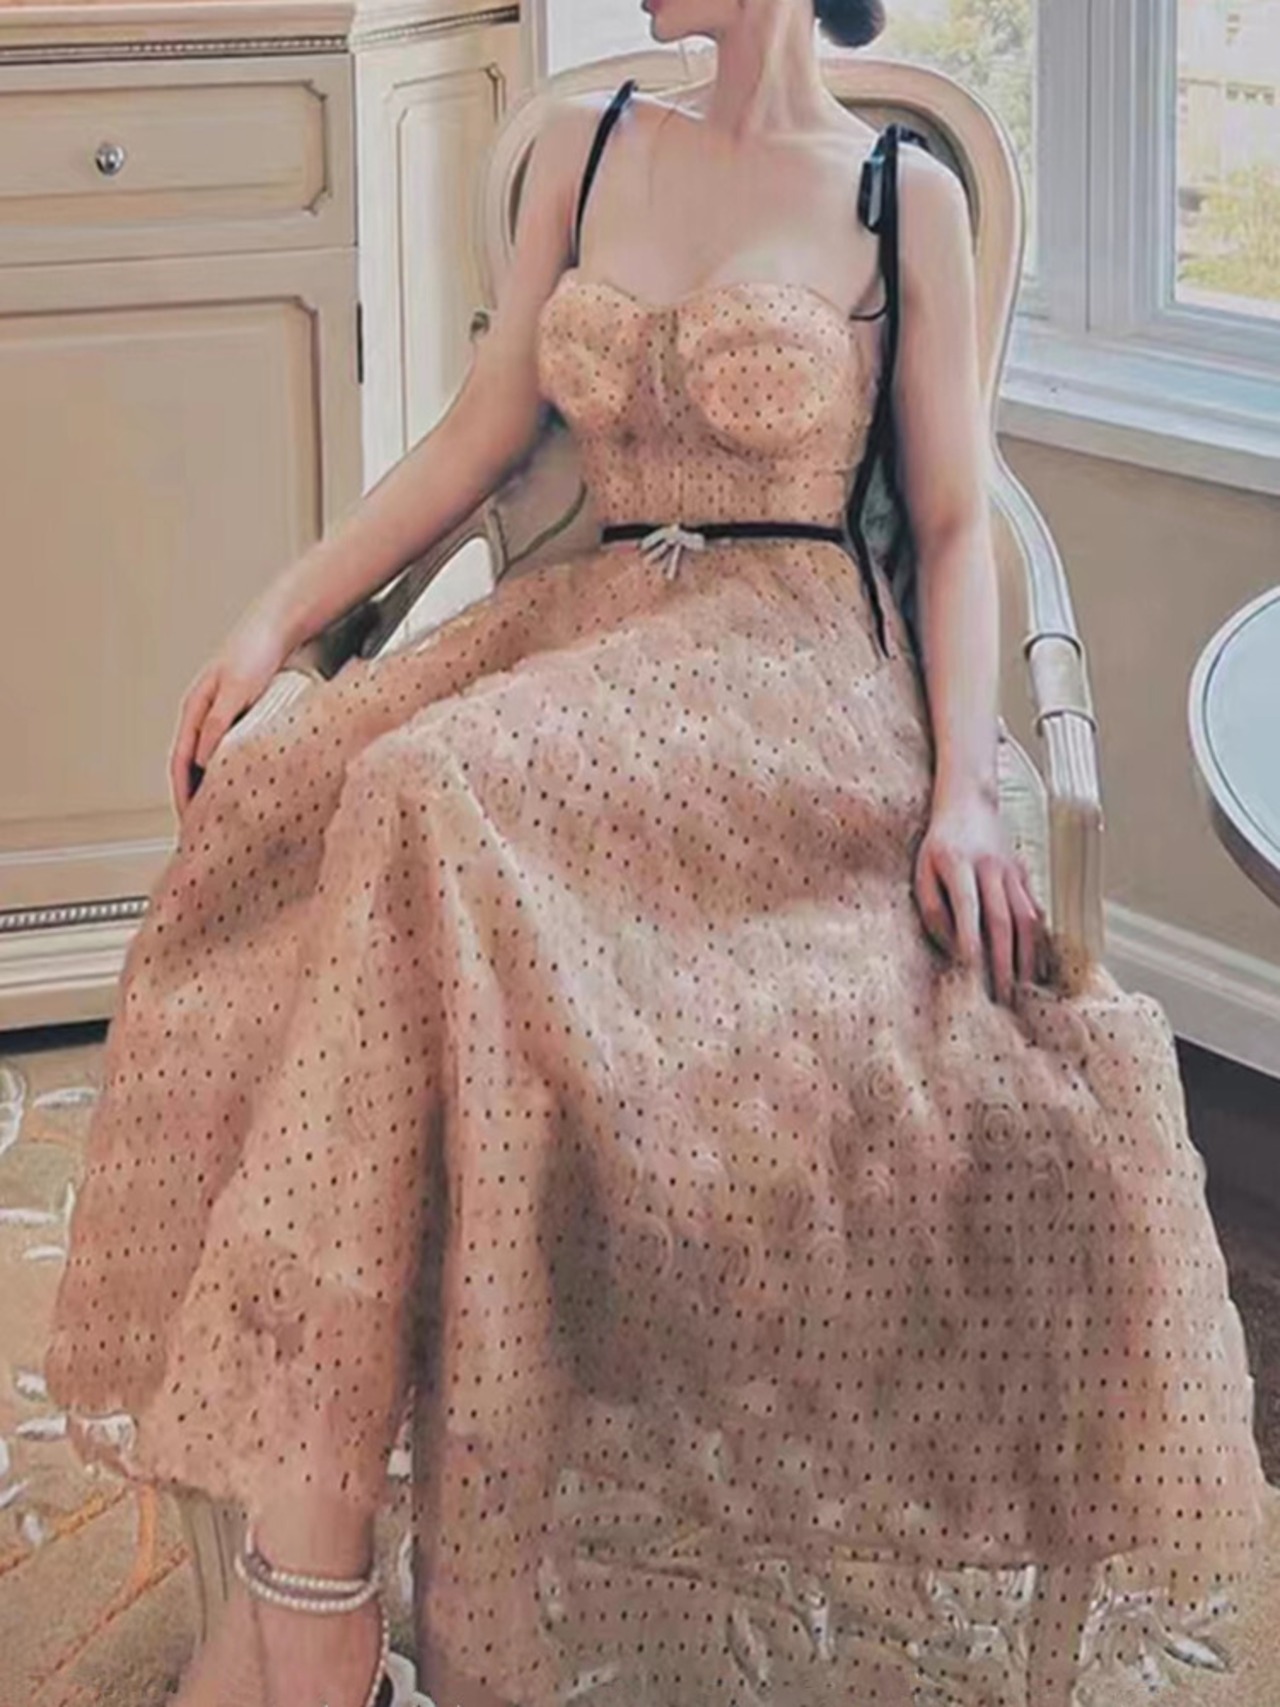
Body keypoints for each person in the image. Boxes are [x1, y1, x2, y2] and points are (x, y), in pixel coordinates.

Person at [43, 0, 1269, 1702]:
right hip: (585, 646)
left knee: (424, 790)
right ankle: (314, 1578)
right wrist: (275, 616)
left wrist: (965, 793)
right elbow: (478, 437)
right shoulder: (586, 143)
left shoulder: (901, 196)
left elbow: (952, 524)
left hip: (788, 682)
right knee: (368, 792)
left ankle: (306, 1607)